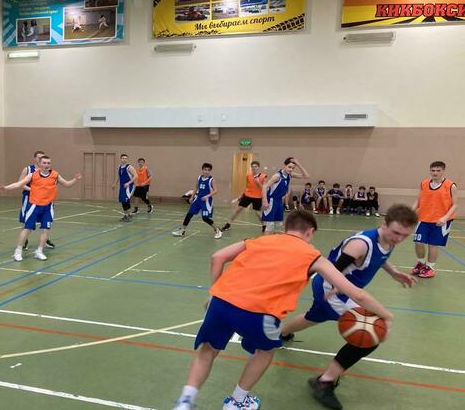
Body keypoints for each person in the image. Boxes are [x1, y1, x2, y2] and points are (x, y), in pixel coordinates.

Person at [171, 210, 394, 410]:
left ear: (288, 228)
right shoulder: (313, 256)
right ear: (310, 232)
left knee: (207, 351)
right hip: (260, 312)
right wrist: (386, 315)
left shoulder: (260, 240)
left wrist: (213, 292)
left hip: (221, 302)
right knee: (265, 351)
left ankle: (185, 401)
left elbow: (217, 257)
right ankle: (237, 402)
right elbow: (357, 294)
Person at [279, 204, 418, 409]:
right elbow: (337, 273)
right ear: (384, 224)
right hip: (333, 289)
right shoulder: (360, 244)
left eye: (404, 235)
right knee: (370, 335)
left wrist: (394, 272)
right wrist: (387, 316)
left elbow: (380, 257)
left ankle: (281, 334)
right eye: (396, 233)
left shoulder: (387, 240)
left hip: (340, 289)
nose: (399, 238)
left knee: (314, 316)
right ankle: (324, 381)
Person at [0, 156, 82, 261]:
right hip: (34, 206)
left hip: (48, 207)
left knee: (46, 229)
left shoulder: (55, 175)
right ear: (40, 164)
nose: (46, 165)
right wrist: (5, 188)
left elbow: (67, 184)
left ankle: (39, 251)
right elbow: (19, 184)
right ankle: (17, 252)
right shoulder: (33, 175)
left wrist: (75, 179)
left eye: (48, 163)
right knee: (27, 229)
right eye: (44, 163)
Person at [411, 161, 458, 279]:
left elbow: (455, 205)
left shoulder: (450, 185)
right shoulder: (424, 183)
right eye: (433, 170)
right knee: (418, 242)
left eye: (438, 170)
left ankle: (430, 268)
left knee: (432, 245)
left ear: (443, 171)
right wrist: (410, 211)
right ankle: (421, 263)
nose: (435, 173)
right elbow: (419, 200)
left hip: (440, 221)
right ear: (430, 170)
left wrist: (445, 217)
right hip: (423, 219)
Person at [172, 163, 222, 239]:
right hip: (198, 199)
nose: (206, 171)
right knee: (189, 214)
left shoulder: (211, 180)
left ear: (210, 171)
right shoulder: (199, 177)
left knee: (205, 218)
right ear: (202, 170)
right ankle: (182, 231)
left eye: (208, 170)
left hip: (206, 201)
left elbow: (216, 191)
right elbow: (196, 187)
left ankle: (217, 230)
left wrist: (207, 196)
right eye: (205, 170)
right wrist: (192, 197)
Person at [18, 151, 55, 251]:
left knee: (45, 222)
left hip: (44, 199)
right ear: (35, 158)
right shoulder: (28, 169)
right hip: (30, 198)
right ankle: (24, 242)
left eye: (42, 157)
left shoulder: (48, 171)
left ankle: (45, 240)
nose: (40, 159)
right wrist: (33, 190)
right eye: (39, 157)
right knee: (27, 221)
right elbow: (20, 183)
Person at [261, 157, 310, 234]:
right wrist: (264, 201)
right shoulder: (277, 176)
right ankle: (265, 241)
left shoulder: (290, 174)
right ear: (284, 166)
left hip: (279, 201)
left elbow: (306, 176)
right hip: (271, 201)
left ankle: (275, 240)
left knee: (278, 225)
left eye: (293, 168)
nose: (291, 169)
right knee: (270, 226)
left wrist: (298, 164)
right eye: (289, 167)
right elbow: (265, 186)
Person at [222, 160, 266, 232]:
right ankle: (228, 224)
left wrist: (258, 182)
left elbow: (264, 189)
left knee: (258, 213)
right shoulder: (248, 175)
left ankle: (264, 225)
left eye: (255, 166)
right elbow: (247, 187)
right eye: (252, 167)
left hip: (257, 197)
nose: (254, 168)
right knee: (237, 210)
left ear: (258, 167)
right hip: (247, 196)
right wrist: (242, 195)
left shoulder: (263, 176)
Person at [114, 153, 138, 222]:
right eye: (123, 158)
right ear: (120, 159)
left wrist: (128, 183)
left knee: (126, 201)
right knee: (123, 201)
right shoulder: (119, 167)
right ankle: (127, 215)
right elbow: (119, 176)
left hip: (129, 186)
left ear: (127, 159)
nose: (124, 159)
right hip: (122, 186)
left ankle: (128, 215)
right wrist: (115, 183)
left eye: (126, 158)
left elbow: (136, 176)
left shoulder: (129, 167)